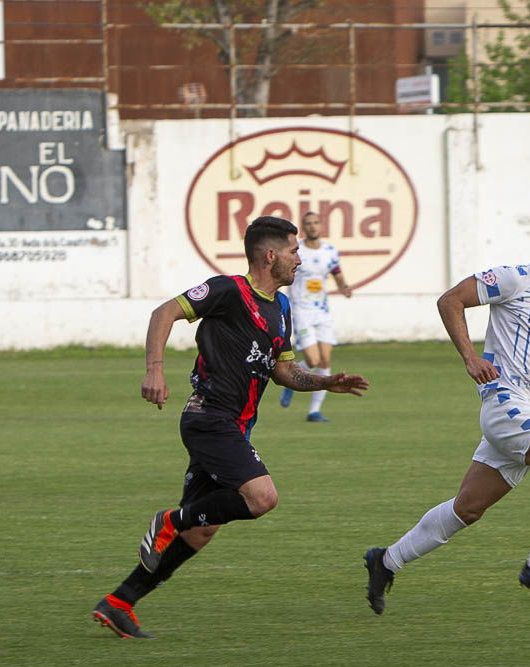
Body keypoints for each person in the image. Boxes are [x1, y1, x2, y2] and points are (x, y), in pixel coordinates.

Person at [91, 215, 370, 639]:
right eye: (294, 252)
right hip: (209, 419)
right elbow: (164, 312)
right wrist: (155, 371)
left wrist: (326, 381)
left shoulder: (281, 308)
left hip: (235, 428)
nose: (300, 260)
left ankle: (119, 602)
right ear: (270, 255)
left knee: (201, 531)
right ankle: (170, 519)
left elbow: (284, 371)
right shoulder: (227, 291)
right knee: (261, 497)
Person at [363, 210, 530, 615]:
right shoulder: (513, 279)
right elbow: (450, 300)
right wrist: (470, 357)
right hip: (507, 405)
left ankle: (385, 561)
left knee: (467, 509)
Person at [278, 211, 354, 423]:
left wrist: (344, 288)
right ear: (303, 227)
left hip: (322, 312)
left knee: (325, 360)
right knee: (313, 359)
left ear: (321, 226)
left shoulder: (330, 251)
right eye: (308, 223)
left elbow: (337, 275)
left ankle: (314, 411)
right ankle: (289, 379)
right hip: (300, 311)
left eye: (316, 223)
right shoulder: (296, 250)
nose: (312, 227)